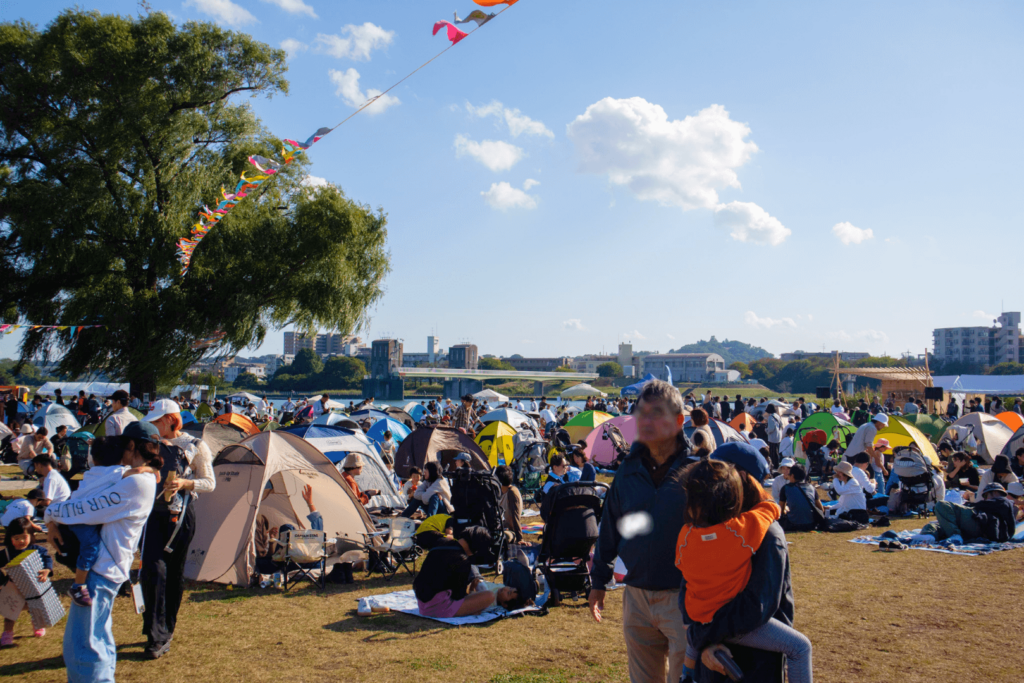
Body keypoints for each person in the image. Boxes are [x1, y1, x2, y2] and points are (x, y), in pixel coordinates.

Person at [675, 459, 812, 683]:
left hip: (699, 617)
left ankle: (686, 674)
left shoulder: (686, 535)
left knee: (693, 634)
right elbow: (768, 510)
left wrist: (699, 631)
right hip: (738, 627)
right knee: (800, 647)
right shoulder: (741, 533)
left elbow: (684, 579)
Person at [590, 380, 690, 683]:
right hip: (636, 596)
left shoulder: (698, 469)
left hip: (686, 597)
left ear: (678, 421)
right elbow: (611, 527)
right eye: (641, 414)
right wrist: (599, 582)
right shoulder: (628, 470)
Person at [45, 422, 161, 682]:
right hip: (107, 568)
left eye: (122, 446)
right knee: (98, 639)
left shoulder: (136, 483)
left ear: (131, 446)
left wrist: (50, 514)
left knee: (84, 648)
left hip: (100, 570)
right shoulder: (135, 477)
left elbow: (80, 509)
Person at [140, 399, 216, 659]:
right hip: (153, 514)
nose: (154, 424)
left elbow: (209, 483)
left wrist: (184, 483)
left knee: (173, 573)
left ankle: (166, 630)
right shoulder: (149, 445)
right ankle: (154, 631)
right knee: (153, 570)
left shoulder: (195, 445)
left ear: (172, 419)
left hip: (181, 516)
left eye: (158, 420)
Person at [413, 526, 517, 617]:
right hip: (437, 608)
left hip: (422, 603)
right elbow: (458, 596)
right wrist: (471, 592)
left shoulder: (442, 542)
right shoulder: (462, 561)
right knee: (489, 596)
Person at [1, 516, 54, 644]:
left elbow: (47, 560)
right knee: (10, 612)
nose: (21, 541)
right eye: (16, 538)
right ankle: (7, 633)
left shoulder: (37, 550)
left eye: (24, 537)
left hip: (33, 586)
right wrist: (2, 581)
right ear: (10, 538)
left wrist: (47, 570)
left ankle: (38, 626)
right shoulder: (7, 553)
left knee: (35, 608)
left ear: (31, 535)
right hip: (14, 587)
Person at [923, 483, 1017, 543]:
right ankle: (929, 535)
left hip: (979, 523)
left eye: (986, 496)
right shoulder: (999, 504)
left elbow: (980, 506)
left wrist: (969, 504)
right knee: (937, 525)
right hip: (978, 527)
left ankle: (955, 535)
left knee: (942, 505)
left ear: (995, 492)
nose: (985, 499)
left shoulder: (1003, 501)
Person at [778, 464, 825, 532]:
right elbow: (821, 509)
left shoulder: (786, 488)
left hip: (793, 524)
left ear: (792, 476)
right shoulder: (811, 487)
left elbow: (780, 510)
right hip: (811, 524)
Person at [495, 465, 523, 544]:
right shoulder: (502, 491)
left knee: (501, 537)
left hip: (510, 531)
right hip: (501, 527)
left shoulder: (512, 492)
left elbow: (515, 516)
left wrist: (520, 538)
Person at [764, 404, 784, 468]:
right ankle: (777, 464)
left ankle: (774, 465)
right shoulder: (777, 415)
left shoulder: (770, 417)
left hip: (773, 437)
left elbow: (771, 428)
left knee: (773, 452)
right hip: (778, 436)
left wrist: (766, 430)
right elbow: (781, 424)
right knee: (777, 451)